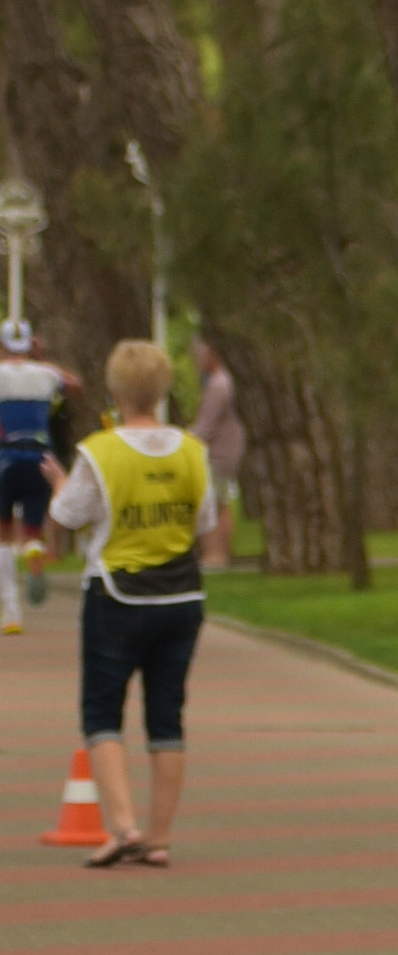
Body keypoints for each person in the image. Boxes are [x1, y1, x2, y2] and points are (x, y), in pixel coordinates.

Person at [42, 336, 215, 869]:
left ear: (116, 389)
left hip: (117, 595)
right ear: (163, 389)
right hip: (182, 596)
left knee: (102, 711)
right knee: (167, 717)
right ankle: (160, 838)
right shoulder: (193, 450)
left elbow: (69, 516)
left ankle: (124, 827)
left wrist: (60, 484)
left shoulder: (101, 449)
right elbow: (203, 522)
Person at [0, 317, 65, 632]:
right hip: (40, 459)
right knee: (30, 527)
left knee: (2, 533)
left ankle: (11, 611)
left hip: (5, 461)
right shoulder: (47, 375)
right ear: (30, 343)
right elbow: (74, 384)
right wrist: (41, 360)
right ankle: (32, 547)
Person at [187, 331, 246, 572]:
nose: (195, 359)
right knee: (221, 503)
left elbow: (206, 425)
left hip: (218, 453)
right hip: (225, 451)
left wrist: (181, 440)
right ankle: (220, 553)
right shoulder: (220, 382)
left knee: (210, 503)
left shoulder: (219, 385)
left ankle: (215, 555)